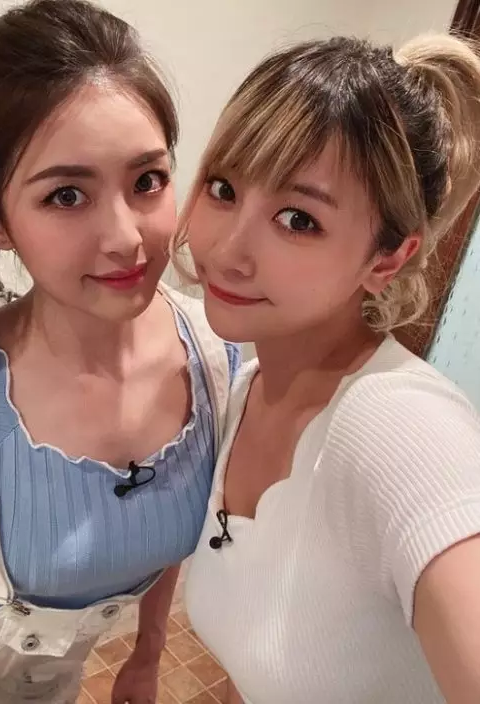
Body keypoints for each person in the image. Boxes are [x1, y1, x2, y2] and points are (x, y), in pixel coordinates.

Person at [0, 1, 239, 702]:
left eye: (147, 181)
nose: (126, 238)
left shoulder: (222, 365)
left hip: (52, 680)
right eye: (66, 195)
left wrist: (148, 653)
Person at [173, 33, 480, 704]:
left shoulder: (397, 425)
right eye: (223, 188)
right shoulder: (246, 391)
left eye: (297, 219)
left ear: (387, 259)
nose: (227, 250)